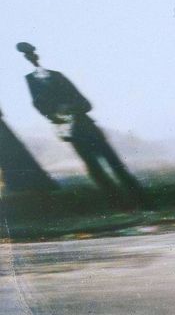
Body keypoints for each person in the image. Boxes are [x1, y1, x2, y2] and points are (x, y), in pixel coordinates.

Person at [17, 42, 143, 199]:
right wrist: (55, 115)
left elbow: (85, 104)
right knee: (96, 168)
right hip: (73, 132)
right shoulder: (31, 81)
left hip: (86, 127)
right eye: (29, 56)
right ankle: (119, 201)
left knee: (114, 163)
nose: (32, 59)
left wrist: (69, 109)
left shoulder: (57, 76)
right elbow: (40, 106)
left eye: (32, 55)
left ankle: (139, 198)